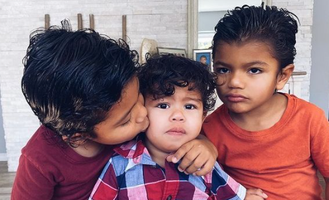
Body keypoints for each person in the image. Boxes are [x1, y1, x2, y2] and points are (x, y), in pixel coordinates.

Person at [12, 22, 218, 200]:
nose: (142, 114)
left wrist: (204, 143)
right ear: (79, 135)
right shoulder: (38, 161)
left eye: (139, 98)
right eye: (126, 119)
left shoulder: (133, 125)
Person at [89, 54, 268, 200]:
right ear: (142, 110)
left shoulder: (204, 164)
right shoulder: (120, 163)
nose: (177, 116)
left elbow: (235, 196)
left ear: (203, 115)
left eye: (189, 107)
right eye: (163, 105)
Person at [202, 4, 329, 200]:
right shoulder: (211, 128)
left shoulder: (310, 119)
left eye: (254, 70)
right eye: (223, 69)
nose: (234, 82)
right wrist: (202, 143)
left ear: (282, 76)